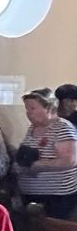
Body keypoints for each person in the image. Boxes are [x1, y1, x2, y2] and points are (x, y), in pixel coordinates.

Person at [16, 89, 77, 219]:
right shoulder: (33, 128)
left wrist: (37, 165)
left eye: (33, 108)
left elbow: (69, 161)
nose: (28, 113)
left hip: (56, 197)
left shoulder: (62, 128)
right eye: (27, 109)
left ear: (49, 108)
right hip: (31, 194)